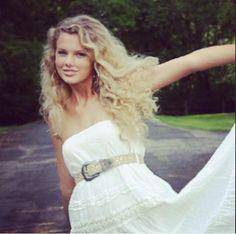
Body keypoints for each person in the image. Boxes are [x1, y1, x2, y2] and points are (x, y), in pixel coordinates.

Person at [40, 14, 235, 233]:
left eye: (80, 54)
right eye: (62, 53)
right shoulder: (56, 112)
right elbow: (67, 186)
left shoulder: (123, 88)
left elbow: (190, 62)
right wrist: (72, 224)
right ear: (52, 57)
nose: (68, 62)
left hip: (142, 205)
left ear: (96, 58)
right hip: (90, 220)